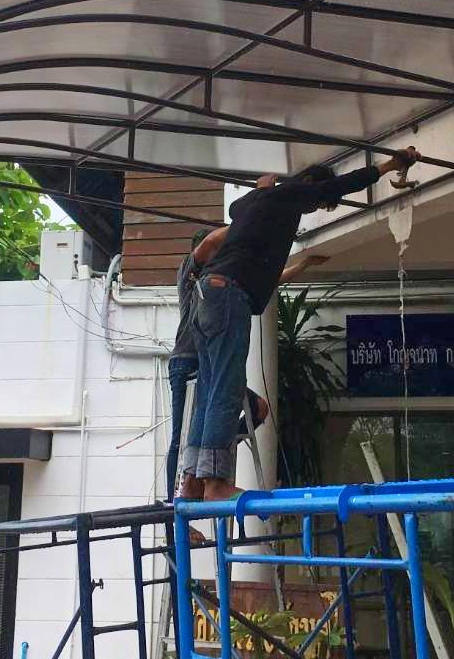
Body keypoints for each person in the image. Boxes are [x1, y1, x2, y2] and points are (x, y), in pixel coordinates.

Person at [180, 149, 420, 501]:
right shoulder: (291, 194)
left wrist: (263, 187)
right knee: (226, 388)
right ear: (308, 184)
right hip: (229, 295)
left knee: (209, 389)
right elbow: (343, 184)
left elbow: (238, 206)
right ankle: (215, 483)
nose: (314, 207)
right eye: (318, 202)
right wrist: (389, 166)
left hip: (207, 297)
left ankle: (191, 483)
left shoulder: (255, 202)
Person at [166, 228, 327, 498]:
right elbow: (211, 241)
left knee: (258, 408)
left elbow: (270, 281)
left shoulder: (229, 274)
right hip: (187, 360)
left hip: (212, 360)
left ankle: (208, 461)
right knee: (179, 435)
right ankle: (182, 492)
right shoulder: (191, 271)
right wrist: (254, 221)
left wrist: (304, 264)